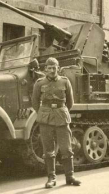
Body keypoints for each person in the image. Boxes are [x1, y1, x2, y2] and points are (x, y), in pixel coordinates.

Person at [32, 57, 81, 189]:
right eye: (50, 68)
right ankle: (51, 178)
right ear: (45, 69)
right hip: (46, 119)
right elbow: (35, 102)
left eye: (55, 68)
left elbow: (70, 102)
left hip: (61, 117)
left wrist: (61, 111)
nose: (52, 71)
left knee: (66, 148)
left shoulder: (65, 82)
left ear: (58, 69)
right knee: (48, 150)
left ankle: (70, 177)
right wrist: (44, 113)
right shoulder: (39, 83)